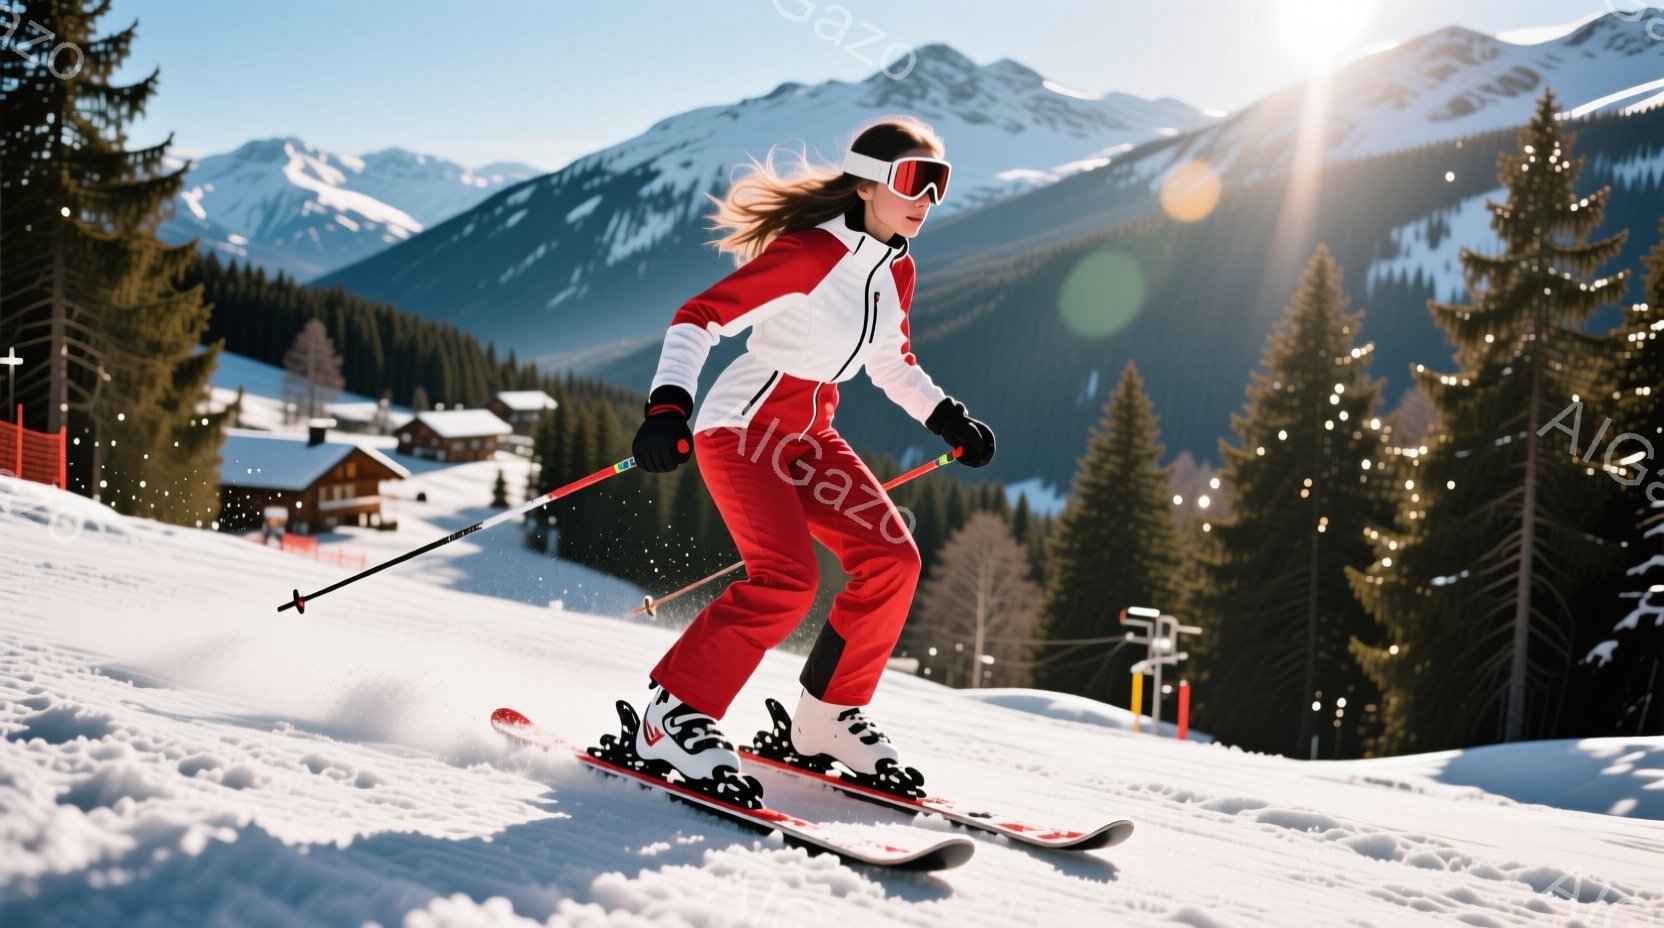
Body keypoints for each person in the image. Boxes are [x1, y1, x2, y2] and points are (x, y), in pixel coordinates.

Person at [629, 115, 996, 794]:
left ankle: (827, 716)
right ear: (867, 185)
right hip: (741, 433)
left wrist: (947, 416)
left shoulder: (897, 268)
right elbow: (698, 317)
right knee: (786, 580)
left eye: (939, 184)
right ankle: (672, 714)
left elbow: (892, 359)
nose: (928, 198)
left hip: (809, 439)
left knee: (892, 559)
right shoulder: (807, 255)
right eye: (916, 180)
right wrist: (667, 408)